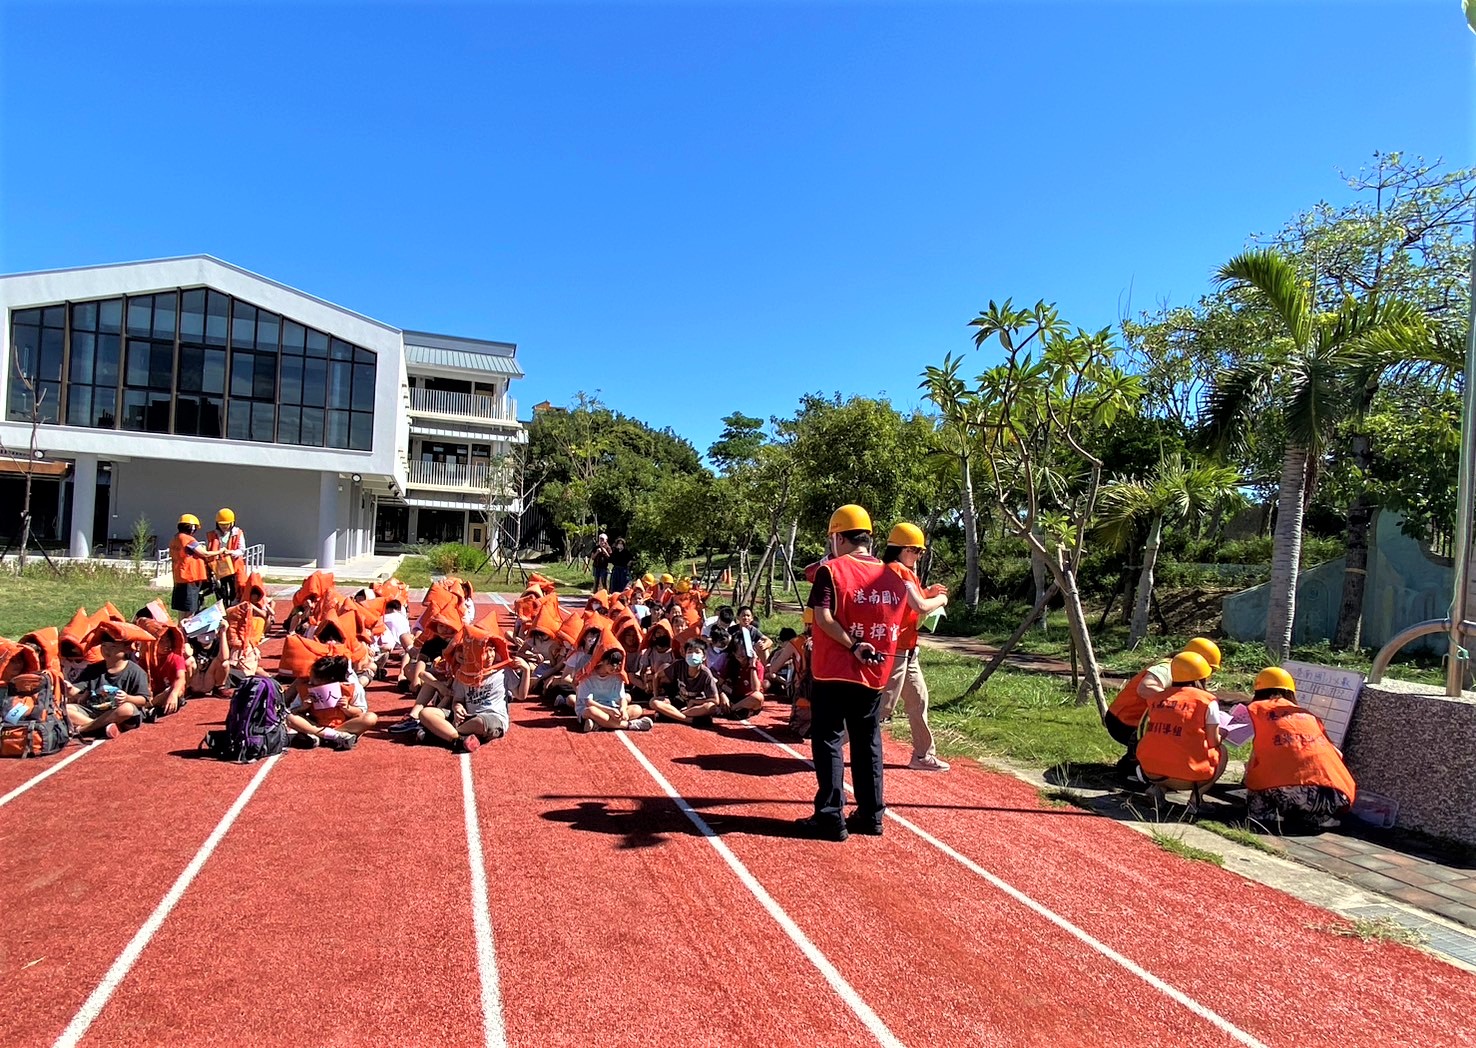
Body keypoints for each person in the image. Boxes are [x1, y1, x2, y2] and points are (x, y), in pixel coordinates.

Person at [797, 505, 945, 842]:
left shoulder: (831, 572)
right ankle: (871, 814)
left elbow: (823, 618)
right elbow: (910, 614)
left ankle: (830, 817)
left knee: (830, 739)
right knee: (868, 741)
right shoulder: (893, 576)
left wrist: (851, 645)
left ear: (837, 536)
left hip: (833, 670)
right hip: (874, 672)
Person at [1240, 667, 1357, 829]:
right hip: (1335, 795)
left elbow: (1251, 753)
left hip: (1284, 792)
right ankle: (1316, 817)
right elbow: (1337, 753)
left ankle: (1268, 814)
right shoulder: (1309, 716)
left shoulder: (1256, 710)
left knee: (1257, 779)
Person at [879, 522, 951, 772]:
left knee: (918, 701)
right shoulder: (897, 570)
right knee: (882, 708)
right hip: (896, 651)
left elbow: (915, 598)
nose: (919, 556)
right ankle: (833, 746)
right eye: (916, 550)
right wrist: (940, 599)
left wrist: (928, 592)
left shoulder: (901, 571)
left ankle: (922, 755)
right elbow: (919, 606)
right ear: (902, 549)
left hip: (908, 651)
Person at [1103, 636, 1221, 779]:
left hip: (1136, 720)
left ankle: (1141, 764)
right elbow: (1145, 688)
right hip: (1124, 721)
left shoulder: (1178, 670)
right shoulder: (1166, 667)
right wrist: (1178, 702)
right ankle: (1135, 764)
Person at [1135, 650, 1228, 811]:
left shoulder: (1156, 698)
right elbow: (1213, 741)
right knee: (1222, 751)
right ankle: (1195, 801)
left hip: (1150, 771)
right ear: (1202, 676)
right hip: (1188, 777)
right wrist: (1223, 735)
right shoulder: (1206, 700)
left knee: (1166, 742)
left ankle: (1158, 789)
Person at [65, 624, 151, 739]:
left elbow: (144, 700)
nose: (106, 650)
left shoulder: (136, 671)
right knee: (65, 709)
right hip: (95, 710)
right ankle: (102, 727)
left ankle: (85, 729)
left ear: (126, 649)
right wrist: (69, 688)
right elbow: (78, 691)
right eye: (104, 646)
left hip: (119, 714)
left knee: (127, 709)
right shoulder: (93, 669)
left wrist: (127, 698)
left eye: (113, 647)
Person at [285, 654, 376, 751]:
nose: (311, 680)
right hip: (315, 724)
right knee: (290, 718)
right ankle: (335, 736)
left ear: (330, 679)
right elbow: (293, 710)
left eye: (315, 679)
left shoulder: (353, 687)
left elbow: (360, 712)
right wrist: (304, 707)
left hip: (344, 725)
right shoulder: (308, 688)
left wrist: (347, 708)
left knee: (371, 718)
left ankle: (324, 736)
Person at [575, 649, 653, 732]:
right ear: (602, 661)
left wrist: (623, 709)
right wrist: (608, 710)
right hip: (595, 708)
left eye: (617, 664)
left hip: (612, 707)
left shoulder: (617, 676)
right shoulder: (587, 676)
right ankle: (629, 725)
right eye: (612, 664)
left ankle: (600, 723)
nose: (615, 667)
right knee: (591, 711)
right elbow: (588, 702)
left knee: (637, 709)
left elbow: (622, 697)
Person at [650, 637, 723, 725]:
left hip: (695, 705)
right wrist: (656, 695)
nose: (693, 655)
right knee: (654, 702)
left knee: (711, 707)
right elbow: (657, 676)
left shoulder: (706, 674)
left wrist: (694, 702)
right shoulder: (678, 665)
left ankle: (672, 715)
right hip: (678, 701)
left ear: (704, 657)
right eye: (690, 652)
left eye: (697, 652)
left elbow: (715, 700)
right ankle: (688, 720)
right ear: (685, 654)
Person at [169, 513, 218, 615]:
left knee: (182, 609)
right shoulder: (188, 540)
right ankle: (187, 629)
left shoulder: (176, 538)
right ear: (192, 527)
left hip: (180, 577)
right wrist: (220, 551)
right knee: (189, 610)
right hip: (190, 577)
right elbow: (204, 553)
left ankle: (180, 628)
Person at [205, 508, 247, 607]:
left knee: (235, 589)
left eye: (226, 524)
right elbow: (208, 549)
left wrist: (231, 552)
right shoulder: (213, 535)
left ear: (232, 523)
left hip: (234, 567)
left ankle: (232, 608)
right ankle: (222, 609)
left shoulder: (238, 533)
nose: (224, 527)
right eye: (221, 524)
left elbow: (242, 550)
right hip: (219, 567)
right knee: (220, 590)